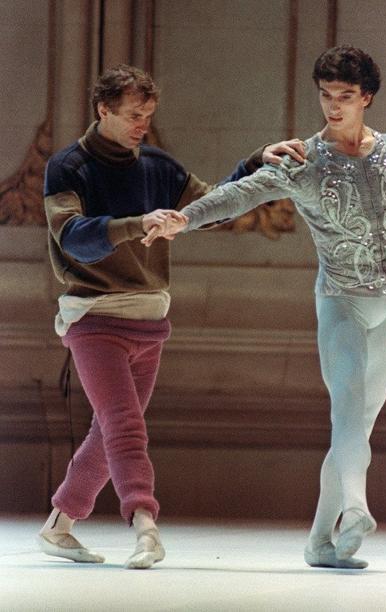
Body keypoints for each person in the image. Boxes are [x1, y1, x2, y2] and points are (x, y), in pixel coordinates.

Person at [148, 46, 386, 569]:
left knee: (357, 429)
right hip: (342, 302)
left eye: (344, 97)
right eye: (325, 95)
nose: (333, 106)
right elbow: (241, 194)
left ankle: (318, 543)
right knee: (347, 416)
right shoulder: (301, 158)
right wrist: (183, 219)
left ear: (366, 98)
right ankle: (356, 510)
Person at [39, 64, 306, 570]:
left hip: (149, 320)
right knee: (123, 426)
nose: (143, 124)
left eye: (149, 115)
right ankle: (144, 523)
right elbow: (73, 236)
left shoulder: (158, 166)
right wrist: (138, 223)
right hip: (94, 316)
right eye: (134, 115)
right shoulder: (68, 166)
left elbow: (214, 207)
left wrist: (254, 163)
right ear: (103, 110)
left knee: (111, 429)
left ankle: (59, 525)